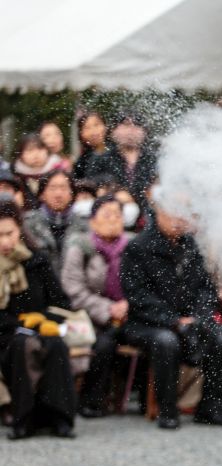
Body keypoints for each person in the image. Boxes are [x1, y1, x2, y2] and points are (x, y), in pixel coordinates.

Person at [120, 194, 222, 429]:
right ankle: (167, 409)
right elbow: (137, 296)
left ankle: (210, 407)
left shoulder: (191, 246)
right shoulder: (138, 247)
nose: (178, 220)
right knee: (166, 341)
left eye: (182, 214)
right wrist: (172, 319)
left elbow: (206, 288)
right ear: (158, 214)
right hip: (147, 323)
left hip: (190, 318)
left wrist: (199, 315)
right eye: (171, 213)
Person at [0, 199, 76, 439]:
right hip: (6, 334)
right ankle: (24, 419)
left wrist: (44, 320)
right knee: (23, 344)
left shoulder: (37, 260)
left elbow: (61, 302)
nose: (5, 241)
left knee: (54, 344)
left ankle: (60, 417)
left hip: (41, 327)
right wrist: (19, 324)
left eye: (10, 233)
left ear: (20, 230)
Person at [61, 196, 131, 417]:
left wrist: (128, 305)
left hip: (129, 314)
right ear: (92, 222)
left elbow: (143, 283)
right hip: (88, 317)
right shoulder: (80, 247)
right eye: (106, 215)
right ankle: (91, 401)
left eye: (117, 215)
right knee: (104, 343)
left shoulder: (132, 246)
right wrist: (108, 309)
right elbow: (73, 290)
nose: (113, 220)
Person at [89, 111, 158, 207]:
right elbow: (89, 182)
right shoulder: (102, 158)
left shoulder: (154, 159)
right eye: (126, 125)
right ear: (113, 130)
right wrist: (112, 190)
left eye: (137, 125)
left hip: (149, 210)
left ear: (145, 131)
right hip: (114, 210)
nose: (131, 130)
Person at [22, 170, 76, 272]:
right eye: (52, 188)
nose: (58, 194)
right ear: (42, 194)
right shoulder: (28, 224)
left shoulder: (84, 224)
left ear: (72, 193)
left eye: (63, 188)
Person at [13, 133, 70, 205]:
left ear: (47, 150)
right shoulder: (14, 177)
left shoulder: (59, 172)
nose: (36, 154)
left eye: (40, 148)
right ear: (21, 155)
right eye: (30, 150)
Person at [73, 111, 111, 181]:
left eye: (96, 125)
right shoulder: (81, 162)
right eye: (87, 128)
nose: (93, 132)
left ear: (105, 126)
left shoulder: (119, 152)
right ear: (81, 134)